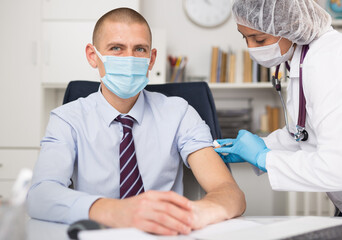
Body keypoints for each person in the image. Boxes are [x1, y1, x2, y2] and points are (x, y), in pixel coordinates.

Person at [27, 8, 245, 235]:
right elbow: (40, 195)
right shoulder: (67, 119)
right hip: (98, 233)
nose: (129, 59)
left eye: (139, 49)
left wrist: (191, 214)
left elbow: (229, 192)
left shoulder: (179, 113)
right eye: (116, 48)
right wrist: (118, 211)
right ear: (93, 56)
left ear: (151, 59)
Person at [215, 0, 342, 215]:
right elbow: (305, 134)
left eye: (259, 38)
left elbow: (336, 167)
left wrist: (263, 157)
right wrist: (261, 146)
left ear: (291, 24)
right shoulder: (302, 57)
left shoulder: (328, 61)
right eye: (244, 37)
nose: (250, 48)